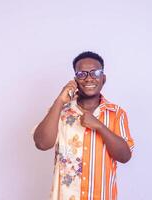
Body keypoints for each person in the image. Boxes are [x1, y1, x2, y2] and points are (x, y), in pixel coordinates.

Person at [33, 51, 134, 200]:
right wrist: (60, 101)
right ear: (75, 80)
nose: (89, 78)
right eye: (82, 74)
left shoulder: (116, 113)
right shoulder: (60, 111)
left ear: (103, 78)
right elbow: (42, 143)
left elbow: (125, 156)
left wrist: (99, 126)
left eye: (95, 73)